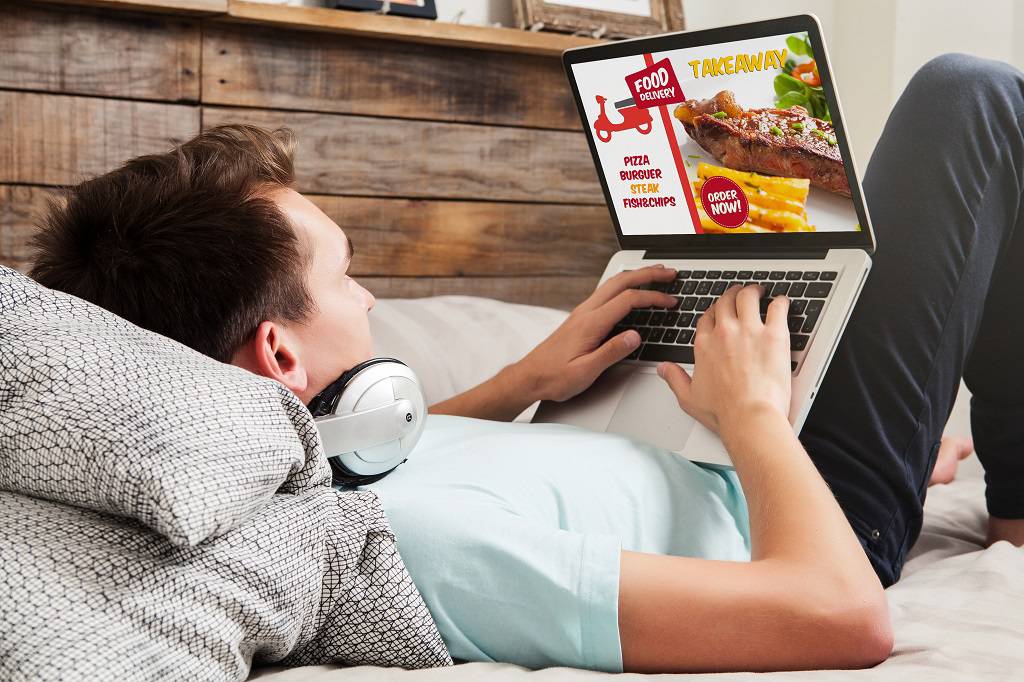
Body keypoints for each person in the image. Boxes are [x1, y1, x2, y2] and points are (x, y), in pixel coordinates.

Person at [27, 53, 1022, 673]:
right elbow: (840, 616)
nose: (371, 300)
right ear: (280, 351)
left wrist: (528, 379)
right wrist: (757, 416)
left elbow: (387, 458)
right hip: (805, 512)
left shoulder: (306, 468)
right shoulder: (417, 544)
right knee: (969, 101)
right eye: (349, 275)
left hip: (720, 433)